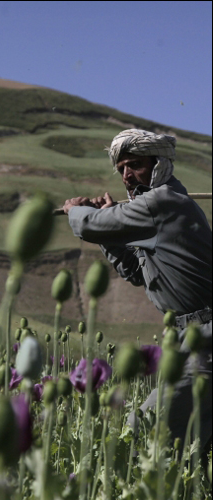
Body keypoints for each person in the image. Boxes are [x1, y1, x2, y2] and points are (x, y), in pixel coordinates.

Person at [62, 129, 212, 461]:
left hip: (205, 339)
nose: (128, 176)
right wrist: (111, 230)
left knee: (141, 431)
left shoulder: (163, 203)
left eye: (136, 165)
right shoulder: (157, 208)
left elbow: (87, 226)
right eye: (121, 169)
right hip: (188, 339)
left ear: (159, 165)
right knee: (191, 455)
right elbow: (133, 270)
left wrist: (76, 210)